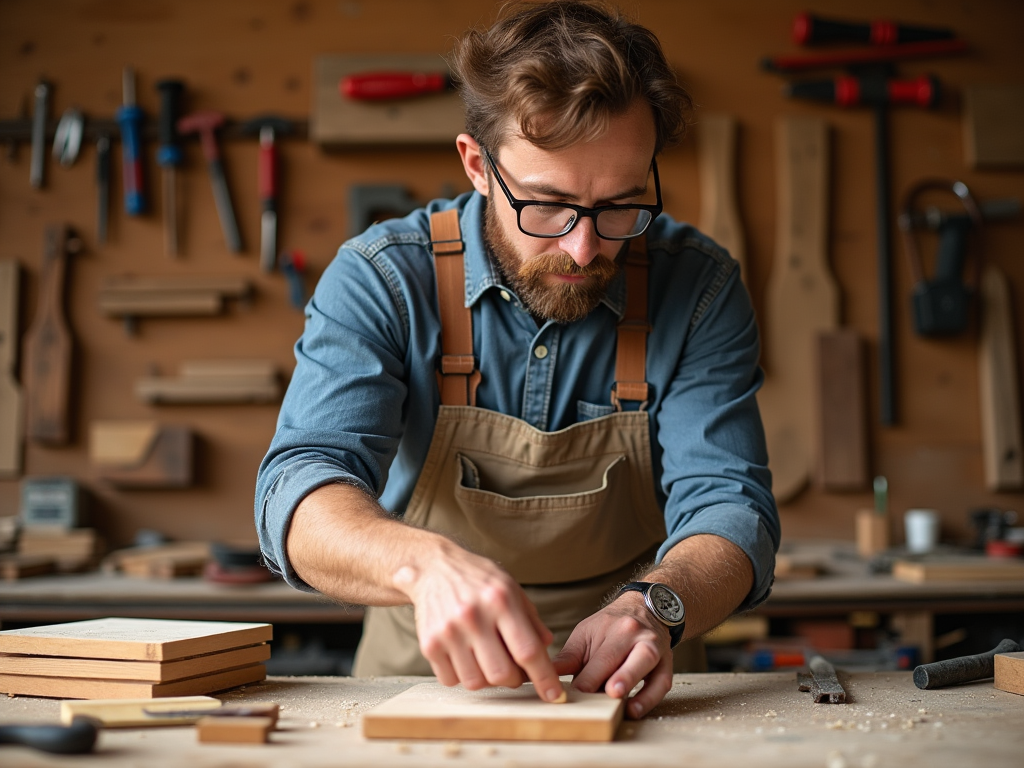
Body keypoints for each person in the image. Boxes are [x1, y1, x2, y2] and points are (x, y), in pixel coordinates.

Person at [256, 0, 779, 720]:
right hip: (426, 674)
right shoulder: (382, 280)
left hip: (635, 678)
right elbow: (298, 488)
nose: (584, 247)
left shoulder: (697, 287)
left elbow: (730, 506)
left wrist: (658, 606)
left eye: (620, 206)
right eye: (547, 205)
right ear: (477, 164)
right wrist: (424, 564)